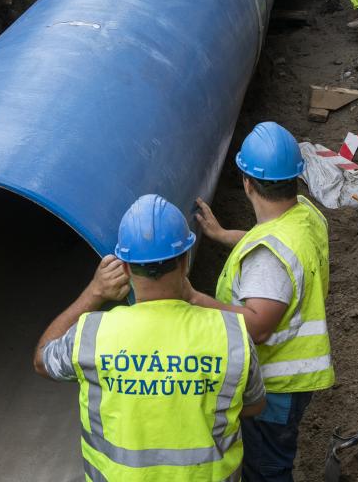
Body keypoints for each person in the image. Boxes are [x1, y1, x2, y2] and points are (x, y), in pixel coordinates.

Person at [34, 194, 267, 481]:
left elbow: (42, 359)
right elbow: (255, 404)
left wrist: (94, 292)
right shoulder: (231, 335)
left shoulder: (92, 336)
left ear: (126, 267)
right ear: (185, 260)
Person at [190, 122, 333, 482]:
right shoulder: (305, 214)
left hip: (274, 386)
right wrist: (224, 235)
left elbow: (256, 325)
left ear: (247, 182)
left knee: (266, 470)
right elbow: (269, 236)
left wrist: (194, 299)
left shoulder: (268, 257)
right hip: (294, 379)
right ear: (294, 179)